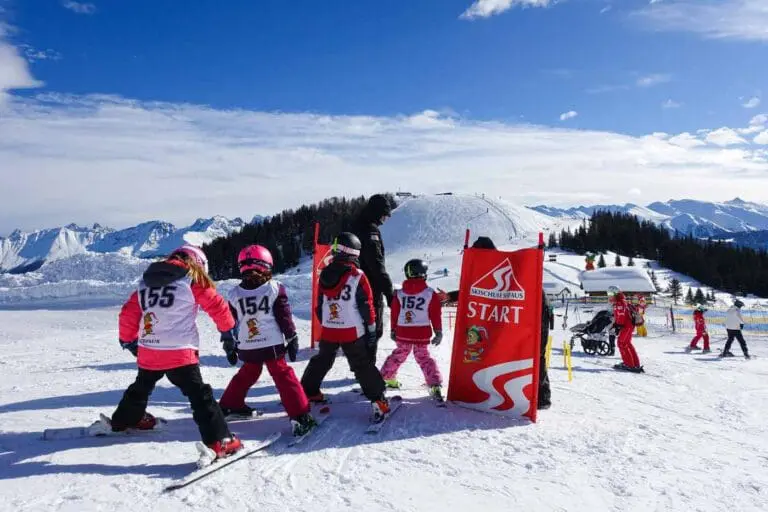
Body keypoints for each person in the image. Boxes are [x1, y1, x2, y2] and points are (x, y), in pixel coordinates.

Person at [96, 244, 242, 464]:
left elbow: (128, 314)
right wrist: (228, 333)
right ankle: (218, 440)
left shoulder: (145, 284)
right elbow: (219, 307)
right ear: (198, 263)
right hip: (179, 351)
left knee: (141, 387)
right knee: (199, 396)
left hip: (149, 349)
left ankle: (124, 420)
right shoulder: (191, 281)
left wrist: (128, 341)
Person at [439, 236, 552, 410]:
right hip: (519, 311)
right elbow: (477, 289)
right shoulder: (488, 269)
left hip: (537, 308)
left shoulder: (503, 264)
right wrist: (451, 297)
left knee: (535, 352)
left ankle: (542, 397)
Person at [218, 245, 317, 436]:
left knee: (248, 372)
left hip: (247, 344)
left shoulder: (234, 294)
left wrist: (229, 343)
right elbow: (284, 316)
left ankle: (230, 405)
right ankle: (300, 416)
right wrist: (292, 337)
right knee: (283, 376)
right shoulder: (273, 288)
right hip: (270, 343)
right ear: (266, 264)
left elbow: (229, 322)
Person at [300, 232, 391, 422]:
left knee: (322, 360)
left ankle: (307, 391)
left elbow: (319, 305)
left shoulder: (324, 273)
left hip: (329, 329)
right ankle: (378, 399)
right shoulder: (358, 276)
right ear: (354, 253)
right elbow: (366, 305)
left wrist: (328, 322)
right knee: (361, 364)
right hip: (352, 329)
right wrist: (372, 327)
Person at [380, 259, 444, 400]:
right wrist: (438, 331)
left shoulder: (400, 294)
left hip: (404, 332)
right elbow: (435, 314)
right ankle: (434, 384)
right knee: (424, 358)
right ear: (423, 274)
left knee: (398, 355)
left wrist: (393, 329)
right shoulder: (429, 293)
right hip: (421, 333)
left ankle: (385, 377)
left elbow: (395, 313)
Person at [352, 194, 394, 363]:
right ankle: (367, 372)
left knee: (361, 328)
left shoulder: (356, 226)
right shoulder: (370, 230)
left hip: (354, 284)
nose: (386, 218)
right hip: (369, 287)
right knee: (373, 330)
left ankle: (361, 368)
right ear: (377, 212)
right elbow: (376, 265)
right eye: (384, 214)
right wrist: (389, 292)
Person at [608, 285, 644, 373]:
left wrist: (617, 326)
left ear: (616, 293)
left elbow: (621, 316)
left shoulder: (619, 303)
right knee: (627, 343)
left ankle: (629, 364)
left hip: (626, 326)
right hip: (629, 325)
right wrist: (617, 325)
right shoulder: (622, 301)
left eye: (610, 293)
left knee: (621, 343)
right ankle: (635, 363)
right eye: (608, 293)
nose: (609, 295)